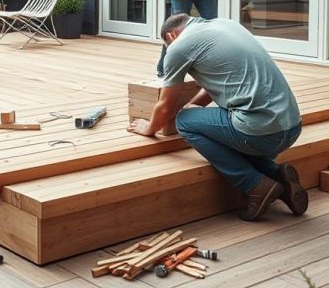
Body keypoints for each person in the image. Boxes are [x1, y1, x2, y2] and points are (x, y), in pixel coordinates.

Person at [130, 13, 308, 221]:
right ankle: (274, 174)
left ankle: (255, 185)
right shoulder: (225, 25)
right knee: (227, 128)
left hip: (263, 134)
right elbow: (219, 80)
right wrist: (195, 105)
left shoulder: (179, 46)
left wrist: (149, 128)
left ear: (171, 35)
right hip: (293, 126)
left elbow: (166, 106)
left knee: (184, 122)